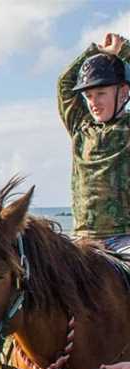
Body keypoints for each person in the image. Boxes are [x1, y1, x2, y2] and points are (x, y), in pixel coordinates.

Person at [58, 32, 130, 242]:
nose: (93, 102)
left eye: (101, 93)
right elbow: (64, 84)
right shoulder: (80, 125)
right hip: (83, 238)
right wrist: (94, 51)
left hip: (125, 237)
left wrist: (123, 50)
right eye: (88, 96)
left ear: (124, 92)